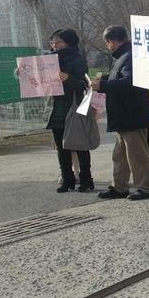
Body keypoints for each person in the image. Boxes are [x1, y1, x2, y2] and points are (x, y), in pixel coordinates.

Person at [91, 26, 149, 200]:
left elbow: (131, 82)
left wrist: (103, 86)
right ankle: (119, 186)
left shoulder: (129, 57)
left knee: (137, 155)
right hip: (124, 115)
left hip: (132, 114)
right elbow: (120, 78)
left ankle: (146, 187)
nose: (107, 46)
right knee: (119, 155)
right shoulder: (124, 56)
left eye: (107, 42)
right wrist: (104, 79)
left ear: (111, 41)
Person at [45, 29, 94, 193]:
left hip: (73, 107)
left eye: (57, 42)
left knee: (79, 144)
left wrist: (68, 78)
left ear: (68, 42)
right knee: (61, 147)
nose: (53, 45)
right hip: (57, 107)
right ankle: (67, 179)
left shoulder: (77, 60)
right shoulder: (48, 61)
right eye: (52, 42)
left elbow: (84, 85)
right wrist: (23, 74)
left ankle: (86, 180)